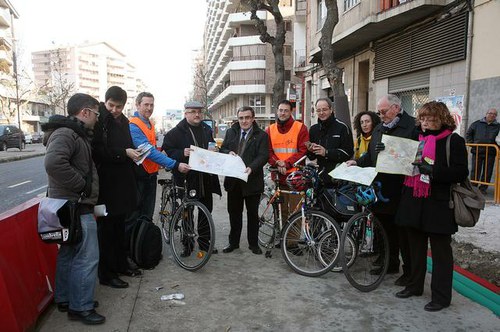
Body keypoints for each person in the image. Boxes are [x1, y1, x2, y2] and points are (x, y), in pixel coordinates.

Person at [394, 101, 468, 312]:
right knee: (415, 249)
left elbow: (461, 173)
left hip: (439, 203)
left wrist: (433, 171)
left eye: (430, 118)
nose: (425, 122)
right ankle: (414, 286)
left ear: (442, 119)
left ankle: (441, 297)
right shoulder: (416, 138)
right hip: (414, 200)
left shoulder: (454, 141)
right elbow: (400, 162)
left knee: (441, 253)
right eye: (423, 118)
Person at [42, 93, 105, 325]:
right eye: (97, 114)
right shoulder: (67, 133)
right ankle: (80, 307)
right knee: (87, 257)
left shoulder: (71, 132)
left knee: (68, 254)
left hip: (69, 205)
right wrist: (83, 186)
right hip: (75, 205)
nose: (97, 119)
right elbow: (53, 163)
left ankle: (67, 298)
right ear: (85, 112)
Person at [347, 94, 415, 286]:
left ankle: (408, 271)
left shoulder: (411, 126)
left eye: (383, 112)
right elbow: (370, 155)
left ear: (396, 108)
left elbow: (413, 155)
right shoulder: (379, 128)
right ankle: (388, 262)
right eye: (379, 112)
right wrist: (356, 162)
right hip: (380, 188)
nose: (381, 115)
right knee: (383, 228)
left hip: (401, 188)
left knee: (402, 231)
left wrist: (392, 151)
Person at [92, 86, 142, 289]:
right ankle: (107, 273)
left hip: (122, 183)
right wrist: (124, 153)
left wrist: (135, 152)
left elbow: (126, 144)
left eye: (118, 107)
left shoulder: (124, 121)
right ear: (105, 102)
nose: (114, 110)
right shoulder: (100, 121)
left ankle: (121, 264)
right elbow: (99, 152)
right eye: (111, 105)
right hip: (107, 185)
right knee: (107, 233)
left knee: (120, 228)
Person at [162, 101, 222, 255]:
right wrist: (182, 152)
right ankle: (187, 245)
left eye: (199, 112)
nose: (197, 115)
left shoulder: (206, 129)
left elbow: (211, 145)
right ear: (186, 113)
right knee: (187, 211)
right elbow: (166, 151)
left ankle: (204, 243)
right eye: (193, 112)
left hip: (205, 178)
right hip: (187, 179)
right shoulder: (175, 132)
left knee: (206, 211)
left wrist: (213, 148)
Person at [129, 92, 190, 221]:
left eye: (152, 105)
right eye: (146, 104)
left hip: (151, 173)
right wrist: (174, 164)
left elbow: (153, 146)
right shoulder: (133, 125)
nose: (149, 108)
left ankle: (145, 238)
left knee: (148, 214)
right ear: (137, 105)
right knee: (138, 215)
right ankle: (138, 240)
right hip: (139, 175)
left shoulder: (149, 123)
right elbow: (148, 150)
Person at [220, 106, 269, 255]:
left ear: (253, 119)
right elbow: (222, 149)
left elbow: (263, 156)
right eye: (241, 118)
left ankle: (253, 244)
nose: (244, 121)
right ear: (238, 119)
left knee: (253, 215)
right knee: (234, 213)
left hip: (252, 180)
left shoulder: (261, 135)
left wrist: (251, 168)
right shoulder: (231, 132)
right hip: (234, 181)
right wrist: (229, 152)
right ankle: (233, 243)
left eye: (247, 117)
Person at [266, 99, 309, 222]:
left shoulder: (301, 128)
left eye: (286, 110)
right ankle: (282, 238)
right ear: (277, 111)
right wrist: (277, 163)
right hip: (278, 177)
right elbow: (268, 151)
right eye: (280, 110)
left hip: (296, 178)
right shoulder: (270, 129)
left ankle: (290, 241)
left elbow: (302, 151)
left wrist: (286, 163)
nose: (282, 113)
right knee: (281, 212)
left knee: (295, 212)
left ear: (291, 112)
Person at [307, 98, 354, 187]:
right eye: (318, 110)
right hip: (319, 178)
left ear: (331, 110)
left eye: (324, 109)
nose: (321, 113)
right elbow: (311, 156)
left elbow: (348, 153)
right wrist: (310, 150)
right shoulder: (313, 129)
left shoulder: (342, 127)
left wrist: (326, 153)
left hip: (338, 179)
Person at [465, 108, 499, 194]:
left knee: (488, 171)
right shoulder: (476, 124)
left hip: (491, 152)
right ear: (486, 114)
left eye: (494, 114)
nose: (492, 115)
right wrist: (472, 144)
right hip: (477, 151)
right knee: (475, 170)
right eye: (490, 113)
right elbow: (469, 134)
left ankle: (483, 189)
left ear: (496, 116)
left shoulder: (498, 126)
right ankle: (473, 188)